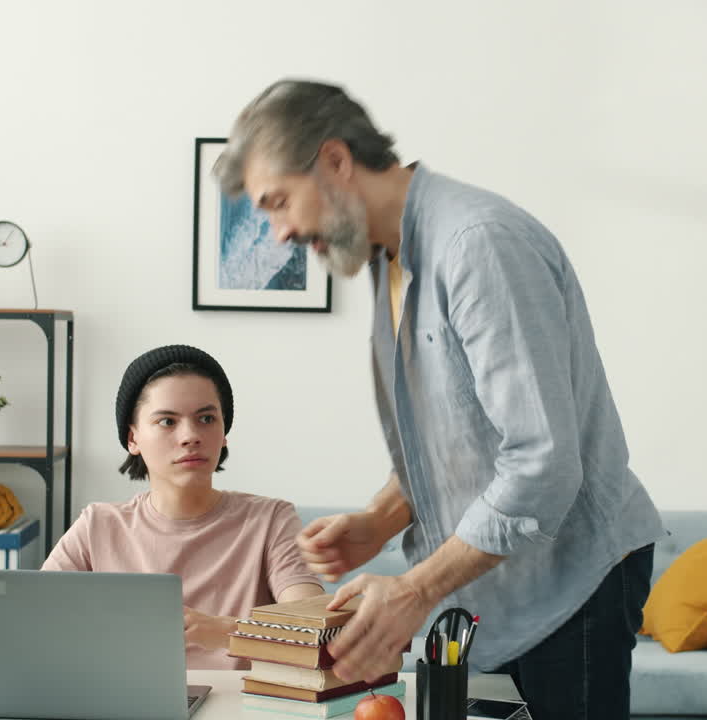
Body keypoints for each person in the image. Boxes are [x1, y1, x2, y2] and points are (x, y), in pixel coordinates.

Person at [213, 80, 666, 719]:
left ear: (337, 161)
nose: (281, 232)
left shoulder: (476, 244)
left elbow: (542, 465)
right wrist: (381, 519)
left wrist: (413, 590)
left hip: (572, 583)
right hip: (503, 585)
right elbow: (462, 437)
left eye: (279, 202)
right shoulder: (393, 258)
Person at [42, 344, 323, 669]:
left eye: (206, 418)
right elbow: (35, 619)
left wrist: (227, 631)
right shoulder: (97, 525)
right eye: (167, 422)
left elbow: (314, 631)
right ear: (132, 438)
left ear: (224, 432)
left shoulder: (271, 519)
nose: (190, 435)